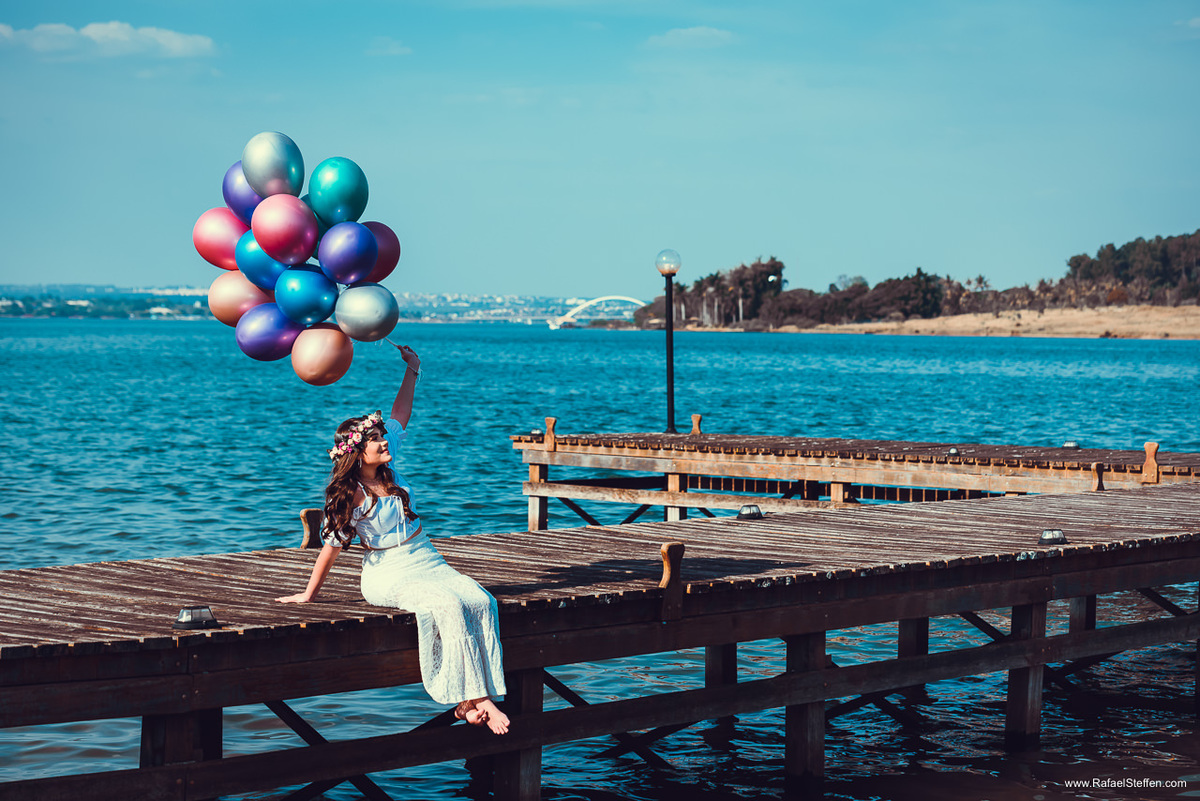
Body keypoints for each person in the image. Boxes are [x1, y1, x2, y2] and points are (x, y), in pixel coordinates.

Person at [277, 344, 510, 735]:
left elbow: (401, 412)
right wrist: (308, 595)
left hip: (427, 557)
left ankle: (468, 704)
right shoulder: (350, 493)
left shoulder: (390, 463)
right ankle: (478, 699)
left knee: (479, 600)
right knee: (446, 604)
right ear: (357, 452)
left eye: (384, 437)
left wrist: (414, 368)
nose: (385, 441)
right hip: (389, 573)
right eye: (376, 440)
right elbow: (331, 548)